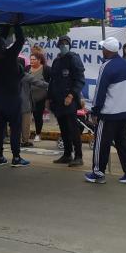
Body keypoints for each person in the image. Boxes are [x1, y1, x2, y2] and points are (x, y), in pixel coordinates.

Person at [85, 37, 126, 185]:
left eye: (103, 48)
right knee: (123, 144)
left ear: (107, 51)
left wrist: (95, 111)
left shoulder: (106, 66)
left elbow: (100, 91)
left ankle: (98, 173)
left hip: (108, 113)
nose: (102, 50)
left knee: (101, 144)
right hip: (123, 111)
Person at [0, 20, 31, 167]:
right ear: (4, 45)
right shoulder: (10, 55)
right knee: (15, 127)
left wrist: (6, 25)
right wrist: (16, 24)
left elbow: (0, 39)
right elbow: (20, 39)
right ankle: (16, 157)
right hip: (12, 98)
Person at [48, 35, 86, 166]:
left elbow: (80, 80)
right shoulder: (57, 61)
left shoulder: (73, 59)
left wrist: (71, 95)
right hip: (58, 101)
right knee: (63, 129)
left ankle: (79, 156)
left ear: (70, 45)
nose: (63, 45)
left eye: (66, 43)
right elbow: (52, 81)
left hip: (69, 101)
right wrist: (49, 98)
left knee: (73, 129)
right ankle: (67, 154)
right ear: (58, 45)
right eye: (61, 43)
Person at [19, 58, 49, 148]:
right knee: (25, 124)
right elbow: (39, 83)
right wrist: (53, 86)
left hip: (13, 103)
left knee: (14, 123)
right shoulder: (25, 75)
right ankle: (25, 141)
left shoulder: (10, 75)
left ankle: (15, 139)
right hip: (24, 104)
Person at [27, 53, 51, 143]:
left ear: (39, 60)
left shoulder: (46, 69)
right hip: (28, 97)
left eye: (34, 59)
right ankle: (26, 133)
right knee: (26, 116)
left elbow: (50, 82)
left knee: (38, 116)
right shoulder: (27, 69)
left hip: (41, 97)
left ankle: (38, 134)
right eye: (31, 59)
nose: (32, 61)